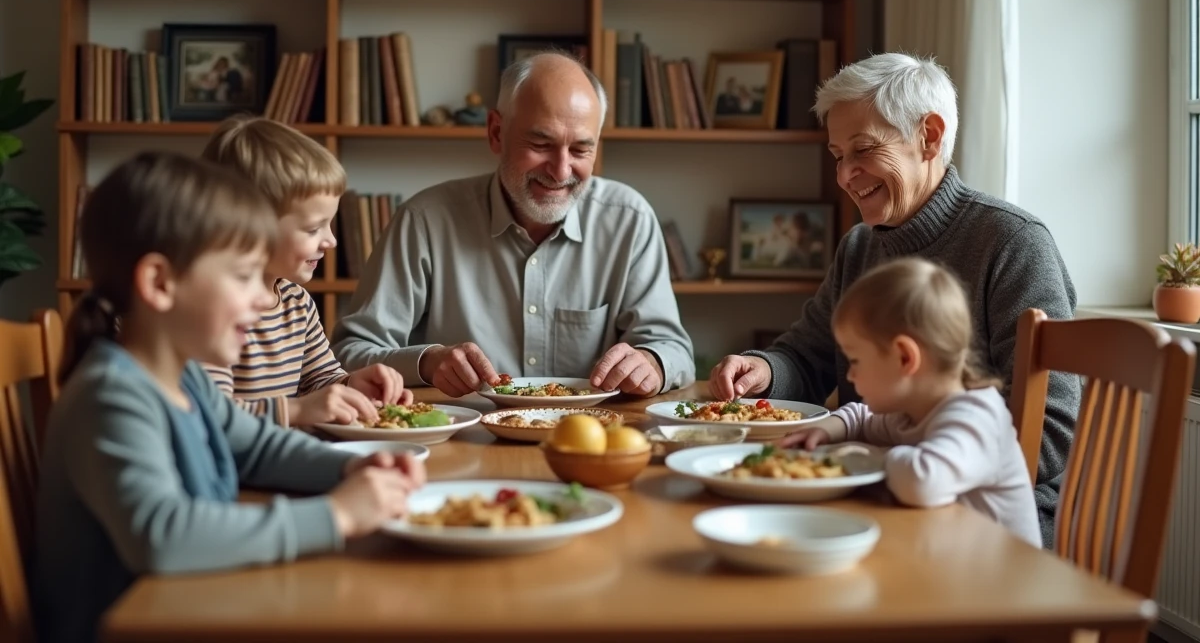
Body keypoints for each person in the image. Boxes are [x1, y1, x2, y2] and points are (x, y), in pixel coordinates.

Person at [33, 151, 425, 643]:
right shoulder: (111, 397)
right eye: (243, 276)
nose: (264, 298)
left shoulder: (185, 381)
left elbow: (259, 447)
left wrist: (353, 469)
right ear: (159, 283)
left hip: (196, 605)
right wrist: (338, 514)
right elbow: (165, 537)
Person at [708, 52, 1079, 547]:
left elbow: (1048, 437)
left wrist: (878, 461)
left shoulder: (1013, 243)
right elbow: (809, 355)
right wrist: (766, 371)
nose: (844, 176)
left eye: (863, 150)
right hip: (883, 495)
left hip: (980, 529)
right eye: (838, 156)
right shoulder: (860, 245)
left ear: (928, 136)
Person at [330, 51, 695, 398]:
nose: (561, 170)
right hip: (463, 445)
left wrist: (652, 363)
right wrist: (427, 362)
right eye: (540, 143)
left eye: (581, 150)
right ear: (496, 133)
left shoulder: (628, 219)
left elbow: (673, 349)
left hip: (591, 439)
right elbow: (348, 353)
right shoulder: (424, 220)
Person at [781, 257, 1041, 548]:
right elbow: (862, 417)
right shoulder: (911, 411)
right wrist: (825, 430)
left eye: (855, 360)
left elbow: (922, 483)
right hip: (949, 560)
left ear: (905, 357)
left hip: (1003, 585)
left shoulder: (977, 417)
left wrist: (865, 455)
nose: (850, 375)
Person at [200, 115, 411, 428]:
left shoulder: (295, 301)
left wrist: (353, 387)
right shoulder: (209, 309)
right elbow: (212, 415)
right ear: (248, 226)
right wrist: (296, 412)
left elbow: (318, 379)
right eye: (313, 228)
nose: (331, 241)